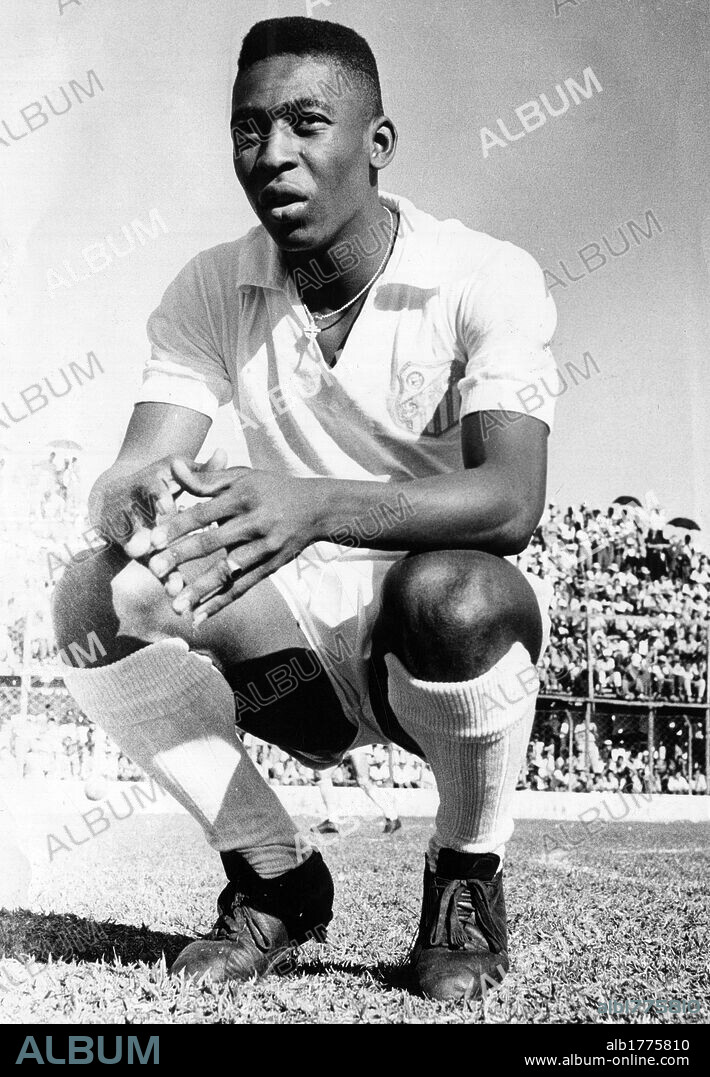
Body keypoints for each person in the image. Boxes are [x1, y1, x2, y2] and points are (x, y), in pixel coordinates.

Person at [52, 17, 557, 1001]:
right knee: (91, 601)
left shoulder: (480, 274)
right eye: (248, 128)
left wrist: (315, 506)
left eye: (304, 124)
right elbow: (134, 477)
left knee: (456, 593)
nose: (270, 154)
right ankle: (276, 877)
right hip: (286, 634)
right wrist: (144, 502)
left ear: (376, 144)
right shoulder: (211, 283)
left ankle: (464, 877)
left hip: (434, 633)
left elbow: (509, 502)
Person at [312, 746, 401, 834]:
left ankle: (392, 816)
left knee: (363, 780)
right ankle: (333, 821)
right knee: (321, 774)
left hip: (355, 740)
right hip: (338, 741)